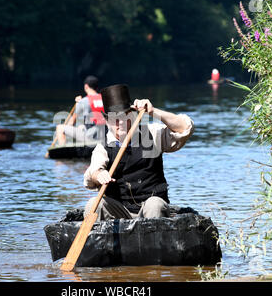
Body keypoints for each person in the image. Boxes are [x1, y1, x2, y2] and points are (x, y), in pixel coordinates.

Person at [83, 84, 194, 221]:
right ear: (106, 121)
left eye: (124, 116)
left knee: (154, 205)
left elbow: (185, 128)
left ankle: (152, 240)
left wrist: (154, 112)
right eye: (114, 118)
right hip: (120, 211)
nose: (120, 122)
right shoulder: (103, 147)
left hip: (152, 210)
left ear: (133, 115)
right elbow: (91, 174)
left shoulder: (152, 134)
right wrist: (98, 175)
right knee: (93, 204)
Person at [55, 75, 105, 145]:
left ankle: (63, 152)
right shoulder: (105, 99)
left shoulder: (83, 101)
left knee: (60, 128)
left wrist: (79, 104)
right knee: (81, 127)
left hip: (93, 138)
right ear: (97, 87)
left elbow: (71, 123)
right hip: (105, 136)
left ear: (86, 86)